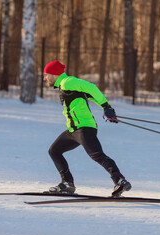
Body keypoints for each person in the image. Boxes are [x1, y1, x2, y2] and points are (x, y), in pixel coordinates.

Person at [43, 60, 131, 197]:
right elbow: (89, 95)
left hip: (84, 127)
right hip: (74, 130)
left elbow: (91, 87)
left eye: (46, 74)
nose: (45, 78)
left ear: (54, 74)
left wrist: (106, 107)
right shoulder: (64, 85)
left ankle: (120, 180)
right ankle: (67, 184)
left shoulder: (67, 82)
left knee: (97, 155)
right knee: (54, 151)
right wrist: (106, 108)